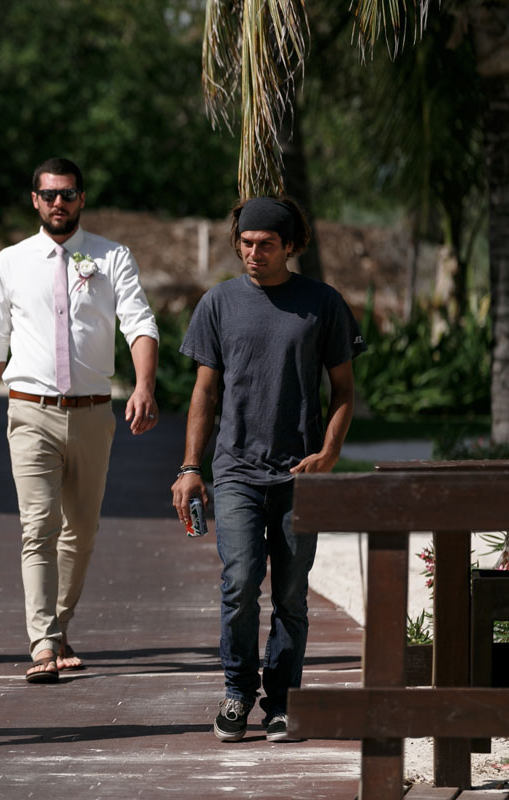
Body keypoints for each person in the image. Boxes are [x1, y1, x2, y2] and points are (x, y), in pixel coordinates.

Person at [170, 196, 365, 743]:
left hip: (300, 475)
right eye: (246, 244)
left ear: (290, 246)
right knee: (238, 584)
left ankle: (281, 703)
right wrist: (191, 467)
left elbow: (345, 392)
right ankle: (237, 693)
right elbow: (204, 394)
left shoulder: (322, 304)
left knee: (290, 595)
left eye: (266, 245)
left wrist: (328, 455)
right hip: (235, 470)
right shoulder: (219, 303)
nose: (253, 253)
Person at [0, 157, 160, 684]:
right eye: (49, 194)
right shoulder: (10, 261)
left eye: (68, 194)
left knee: (79, 532)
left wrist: (144, 384)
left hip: (91, 413)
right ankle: (42, 643)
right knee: (38, 527)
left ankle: (57, 628)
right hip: (29, 410)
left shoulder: (112, 257)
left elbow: (139, 322)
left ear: (82, 199)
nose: (59, 202)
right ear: (34, 200)